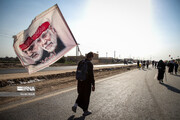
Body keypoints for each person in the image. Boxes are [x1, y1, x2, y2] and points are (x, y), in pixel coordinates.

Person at [72, 52, 95, 116]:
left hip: (80, 81)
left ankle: (75, 105)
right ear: (91, 57)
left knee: (81, 94)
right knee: (86, 97)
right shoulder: (90, 64)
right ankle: (85, 111)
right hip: (86, 82)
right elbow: (91, 75)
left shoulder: (81, 62)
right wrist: (93, 85)